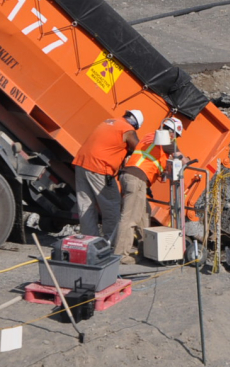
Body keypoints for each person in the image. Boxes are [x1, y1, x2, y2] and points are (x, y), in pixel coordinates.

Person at [115, 117, 183, 262]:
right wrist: (185, 161)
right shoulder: (162, 138)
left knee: (144, 216)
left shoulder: (152, 138)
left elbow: (155, 161)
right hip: (136, 179)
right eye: (175, 135)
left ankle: (145, 250)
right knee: (129, 218)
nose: (175, 139)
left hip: (137, 180)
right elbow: (178, 154)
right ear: (171, 132)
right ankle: (121, 255)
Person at [73, 109, 143, 244]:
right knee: (111, 205)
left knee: (86, 205)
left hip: (81, 165)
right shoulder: (127, 129)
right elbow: (137, 148)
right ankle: (110, 242)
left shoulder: (109, 122)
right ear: (135, 125)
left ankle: (90, 243)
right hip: (99, 168)